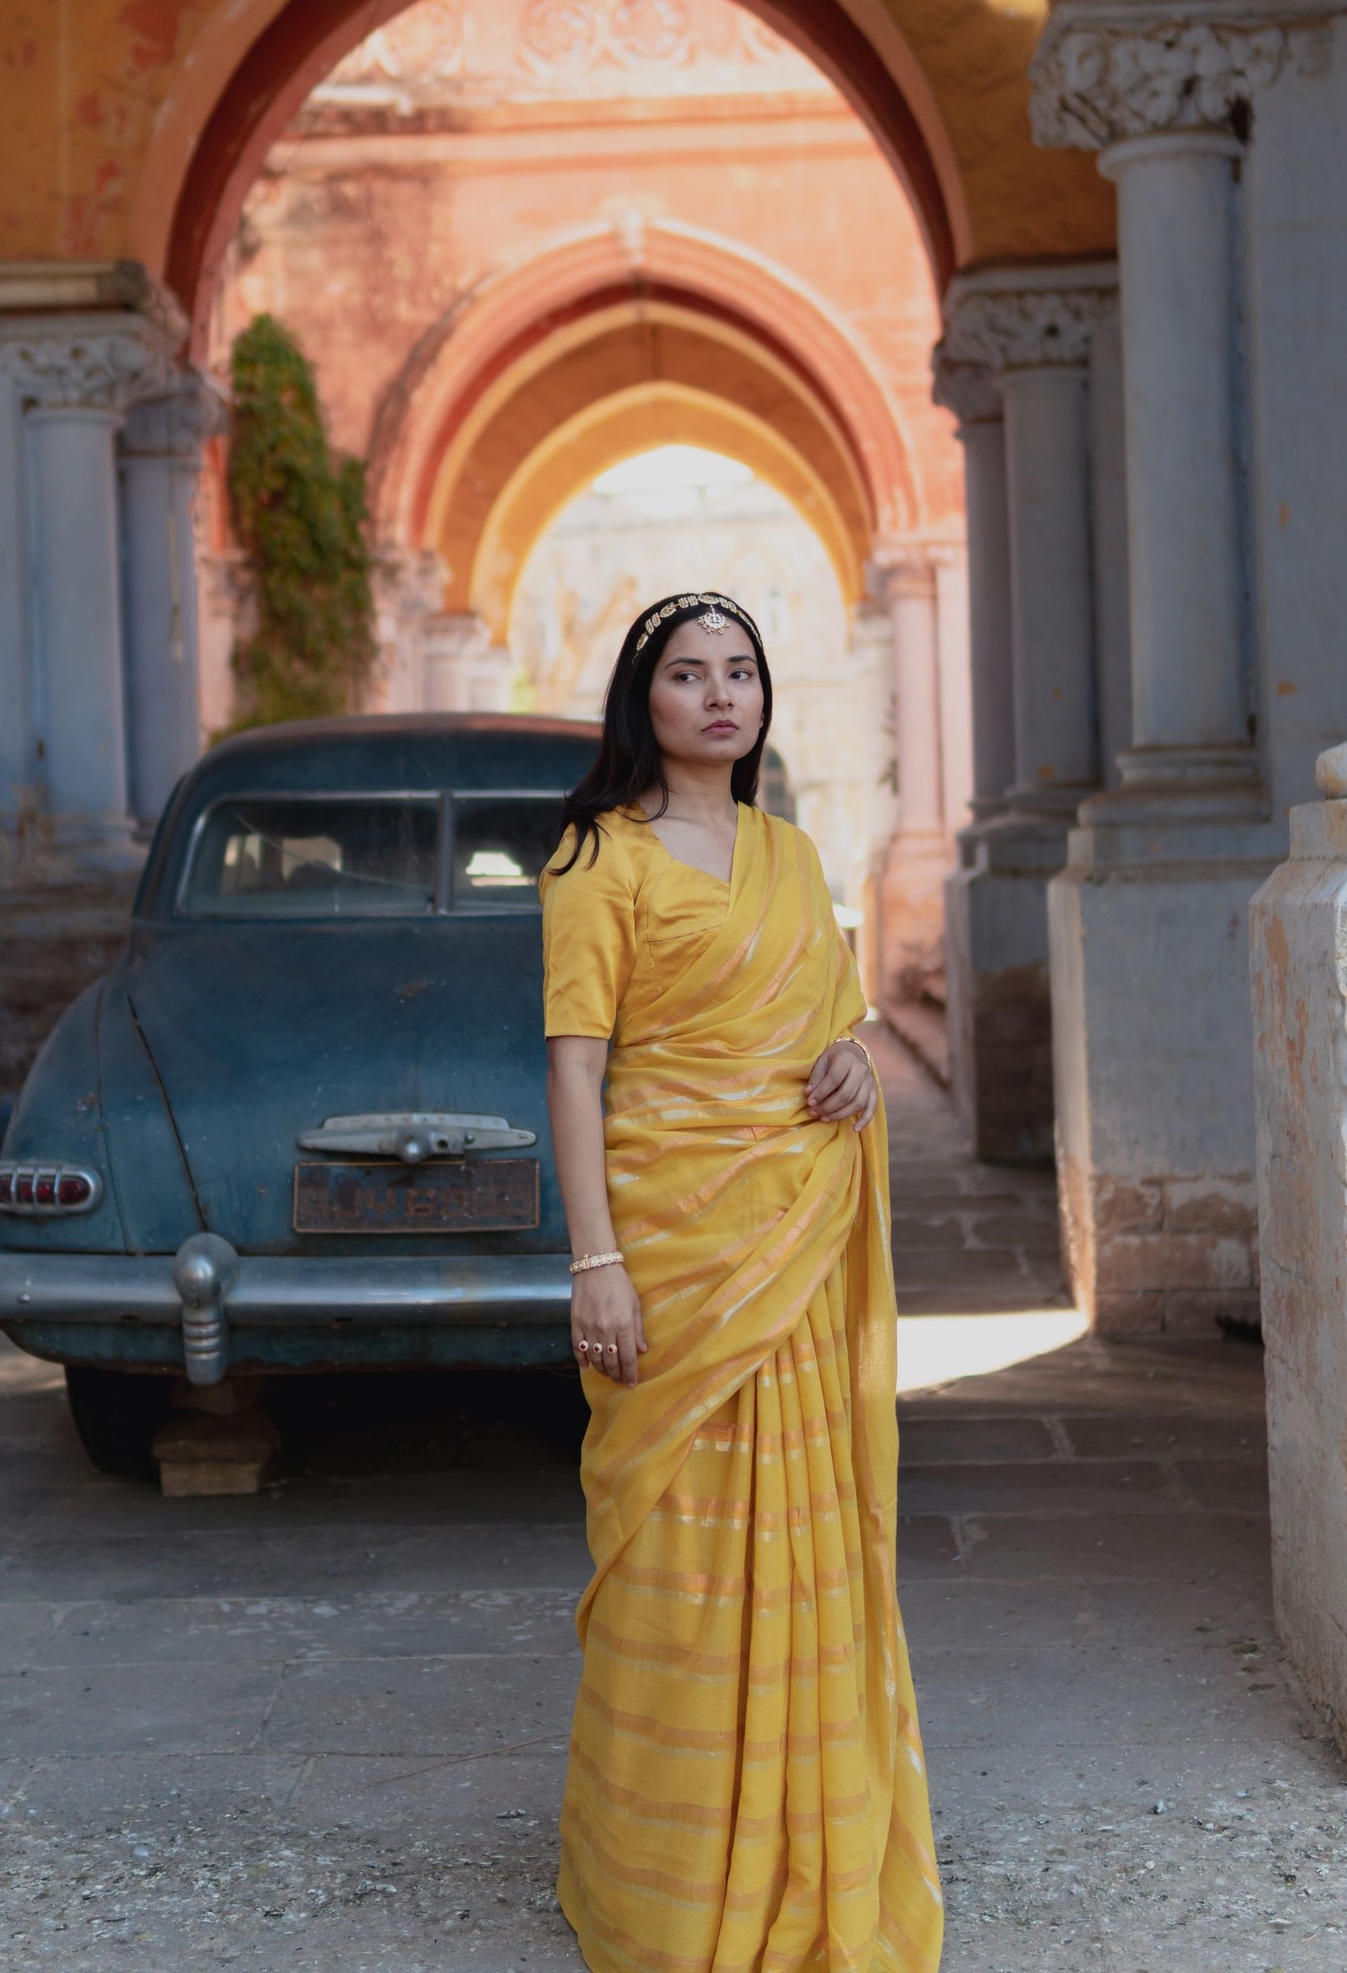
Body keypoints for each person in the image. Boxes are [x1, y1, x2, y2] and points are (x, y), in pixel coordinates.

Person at [540, 590, 943, 1973]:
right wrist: (596, 1261)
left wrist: (855, 1060)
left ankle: (802, 1841)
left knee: (806, 1538)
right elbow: (575, 1069)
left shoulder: (789, 851)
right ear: (638, 700)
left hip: (793, 1241)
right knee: (678, 1554)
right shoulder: (600, 857)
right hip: (670, 1246)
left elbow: (825, 1029)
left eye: (740, 672)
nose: (718, 695)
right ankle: (661, 1878)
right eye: (685, 674)